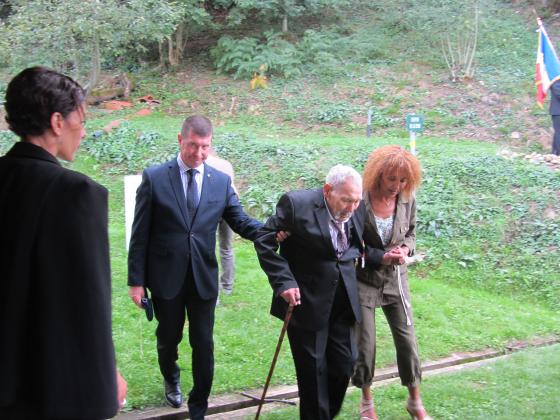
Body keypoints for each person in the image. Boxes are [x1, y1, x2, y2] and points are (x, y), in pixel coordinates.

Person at [0, 66, 126, 419]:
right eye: (80, 120)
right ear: (57, 122)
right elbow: (87, 305)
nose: (83, 131)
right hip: (47, 388)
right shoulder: (76, 194)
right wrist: (105, 381)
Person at [127, 115, 262, 419]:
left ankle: (198, 404)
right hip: (166, 278)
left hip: (203, 278)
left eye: (205, 147)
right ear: (180, 140)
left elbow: (239, 220)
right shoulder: (155, 178)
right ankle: (171, 375)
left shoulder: (220, 181)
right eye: (193, 146)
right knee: (168, 337)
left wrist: (270, 231)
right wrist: (137, 281)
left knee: (204, 343)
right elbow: (140, 235)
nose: (199, 153)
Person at [254, 164, 365, 420]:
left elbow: (355, 248)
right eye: (346, 200)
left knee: (343, 366)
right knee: (313, 376)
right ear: (328, 191)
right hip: (306, 302)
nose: (352, 207)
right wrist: (284, 282)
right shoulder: (296, 204)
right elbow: (264, 239)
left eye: (357, 201)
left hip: (343, 303)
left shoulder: (357, 207)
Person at [351, 145, 431, 420]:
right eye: (392, 179)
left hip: (396, 280)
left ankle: (415, 400)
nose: (398, 186)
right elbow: (349, 245)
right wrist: (381, 257)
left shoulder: (407, 199)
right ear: (378, 175)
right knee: (366, 344)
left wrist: (405, 250)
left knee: (407, 340)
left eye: (403, 180)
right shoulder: (358, 201)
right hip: (363, 279)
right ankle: (366, 402)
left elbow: (410, 233)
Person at [206, 148, 237, 295]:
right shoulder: (226, 164)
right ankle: (227, 286)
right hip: (230, 208)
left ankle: (215, 291)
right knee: (227, 248)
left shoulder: (202, 163)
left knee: (209, 250)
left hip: (211, 208)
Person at [549, 80, 560, 155]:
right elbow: (558, 93)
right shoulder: (555, 80)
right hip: (557, 111)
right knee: (559, 132)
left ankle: (554, 153)